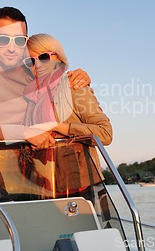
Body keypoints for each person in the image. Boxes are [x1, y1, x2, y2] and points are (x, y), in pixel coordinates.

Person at [0, 7, 90, 148]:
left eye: (18, 40)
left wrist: (79, 77)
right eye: (3, 39)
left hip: (42, 164)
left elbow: (59, 80)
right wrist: (23, 132)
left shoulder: (33, 68)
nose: (12, 48)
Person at [22, 33, 112, 196]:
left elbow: (105, 133)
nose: (37, 65)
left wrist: (56, 126)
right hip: (42, 188)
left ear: (58, 57)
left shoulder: (74, 86)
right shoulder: (30, 97)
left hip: (79, 188)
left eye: (44, 57)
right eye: (30, 61)